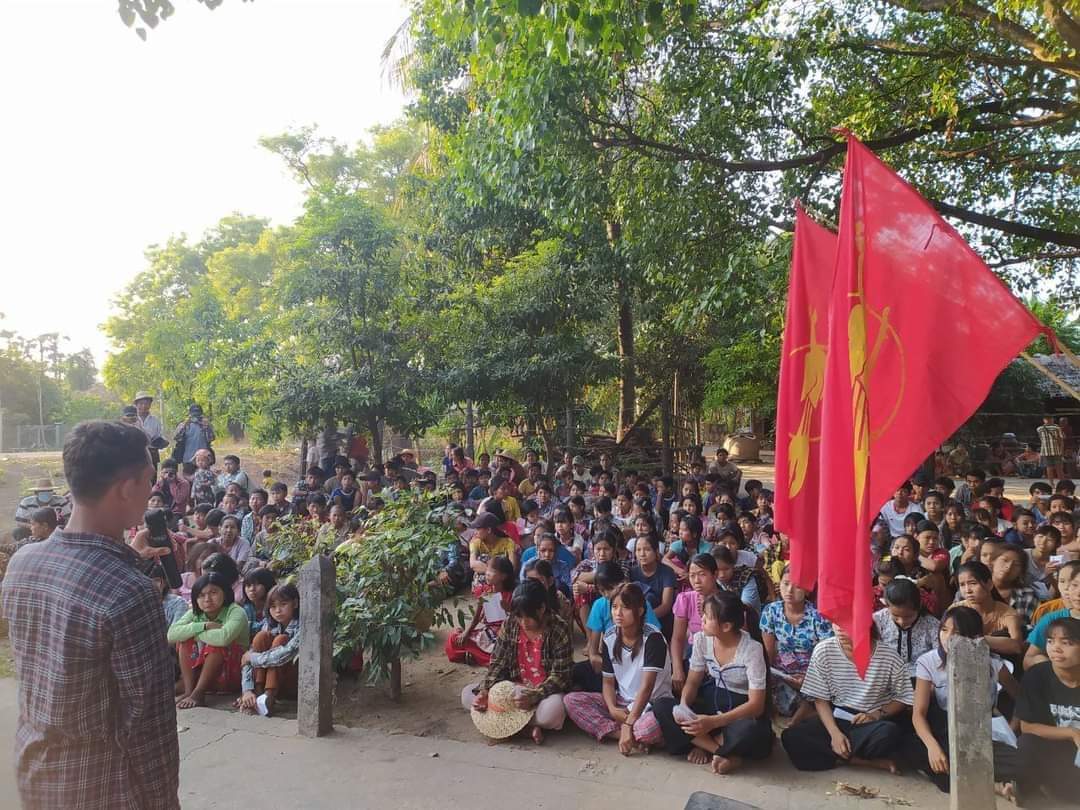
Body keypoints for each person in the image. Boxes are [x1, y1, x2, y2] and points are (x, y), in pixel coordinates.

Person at [0, 420, 180, 809]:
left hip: (37, 770)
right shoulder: (130, 592)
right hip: (103, 787)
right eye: (149, 479)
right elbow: (150, 727)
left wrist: (128, 555)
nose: (153, 490)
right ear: (127, 487)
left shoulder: (24, 562)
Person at [903, 605, 1019, 798]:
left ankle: (981, 778)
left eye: (956, 633)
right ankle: (995, 787)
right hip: (945, 730)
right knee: (921, 751)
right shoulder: (928, 661)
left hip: (982, 731)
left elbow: (1021, 698)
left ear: (974, 637)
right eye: (944, 630)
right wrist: (933, 747)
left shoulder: (993, 663)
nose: (947, 637)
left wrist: (1013, 728)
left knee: (1023, 763)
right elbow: (918, 714)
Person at [653, 592, 773, 773]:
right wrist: (684, 707)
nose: (701, 620)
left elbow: (756, 706)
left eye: (707, 617)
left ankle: (703, 742)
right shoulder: (702, 639)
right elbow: (693, 682)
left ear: (726, 626)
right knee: (662, 705)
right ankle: (722, 752)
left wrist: (713, 722)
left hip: (740, 712)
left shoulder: (752, 649)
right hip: (713, 702)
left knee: (752, 730)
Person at [780, 624, 913, 773]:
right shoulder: (824, 650)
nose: (839, 628)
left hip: (871, 722)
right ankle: (859, 760)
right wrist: (834, 734)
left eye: (846, 622)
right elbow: (820, 698)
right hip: (837, 717)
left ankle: (841, 754)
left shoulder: (888, 656)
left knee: (889, 733)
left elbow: (904, 698)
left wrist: (876, 714)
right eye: (835, 621)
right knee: (791, 737)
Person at [461, 579, 573, 745]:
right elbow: (498, 661)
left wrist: (535, 695)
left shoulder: (558, 629)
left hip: (544, 692)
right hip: (512, 689)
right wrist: (485, 692)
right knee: (468, 695)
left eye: (528, 617)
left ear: (541, 609)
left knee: (552, 713)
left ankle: (507, 724)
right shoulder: (511, 624)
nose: (523, 623)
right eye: (519, 617)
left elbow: (560, 676)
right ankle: (526, 729)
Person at [563, 583, 671, 754]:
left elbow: (647, 688)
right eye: (614, 607)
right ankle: (623, 735)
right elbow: (608, 682)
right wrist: (613, 708)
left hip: (651, 704)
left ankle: (631, 733)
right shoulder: (610, 636)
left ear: (640, 610)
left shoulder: (653, 638)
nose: (618, 613)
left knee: (647, 728)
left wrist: (629, 723)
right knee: (571, 701)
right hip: (622, 701)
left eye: (626, 607)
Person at [1014, 616, 1080, 803]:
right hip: (1054, 752)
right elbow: (1028, 727)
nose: (1056, 648)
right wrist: (1072, 733)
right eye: (1050, 641)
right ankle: (1030, 793)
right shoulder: (1037, 675)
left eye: (1066, 642)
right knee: (1026, 744)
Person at [760, 566, 834, 720]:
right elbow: (768, 652)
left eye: (797, 586)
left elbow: (828, 656)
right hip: (782, 671)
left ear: (808, 590)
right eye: (785, 583)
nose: (789, 590)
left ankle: (806, 712)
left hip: (812, 672)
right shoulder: (771, 611)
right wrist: (768, 674)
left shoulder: (818, 617)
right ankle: (803, 711)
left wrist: (809, 677)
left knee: (823, 693)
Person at [167, 571, 250, 709]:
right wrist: (204, 626)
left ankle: (198, 694)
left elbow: (223, 638)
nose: (207, 599)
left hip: (234, 672)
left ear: (225, 592)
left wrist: (196, 633)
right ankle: (189, 691)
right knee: (184, 641)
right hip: (205, 672)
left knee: (215, 644)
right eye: (201, 595)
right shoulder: (195, 612)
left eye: (213, 593)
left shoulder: (235, 611)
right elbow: (171, 635)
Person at [237, 583, 301, 717]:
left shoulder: (302, 624)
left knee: (280, 640)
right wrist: (247, 690)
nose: (277, 610)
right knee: (261, 637)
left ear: (295, 603)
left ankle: (268, 697)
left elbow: (284, 655)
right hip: (268, 679)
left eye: (283, 604)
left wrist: (253, 658)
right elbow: (247, 658)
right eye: (273, 606)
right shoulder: (269, 623)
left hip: (292, 680)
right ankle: (256, 696)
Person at [446, 556, 516, 667]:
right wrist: (466, 633)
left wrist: (508, 610)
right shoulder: (485, 592)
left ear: (503, 576)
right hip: (487, 633)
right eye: (487, 569)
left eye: (492, 571)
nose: (487, 573)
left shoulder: (512, 595)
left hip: (504, 635)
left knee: (505, 652)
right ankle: (475, 656)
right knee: (454, 638)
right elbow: (476, 618)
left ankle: (474, 656)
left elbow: (519, 620)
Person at [671, 553, 722, 693]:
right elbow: (678, 638)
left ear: (715, 574)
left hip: (721, 655)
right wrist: (677, 669)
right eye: (692, 575)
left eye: (702, 574)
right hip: (694, 653)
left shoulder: (726, 602)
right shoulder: (685, 599)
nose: (697, 581)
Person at [872, 578, 941, 678]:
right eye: (895, 616)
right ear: (887, 606)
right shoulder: (878, 620)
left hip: (923, 678)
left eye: (908, 617)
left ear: (918, 607)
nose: (901, 621)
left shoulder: (931, 625)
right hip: (885, 677)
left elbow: (938, 659)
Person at [956, 561, 1025, 658]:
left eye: (973, 583)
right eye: (962, 585)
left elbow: (1017, 647)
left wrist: (978, 640)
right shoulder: (956, 610)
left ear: (989, 584)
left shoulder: (1008, 614)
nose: (967, 590)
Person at [630, 533, 677, 637]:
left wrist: (643, 618)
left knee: (649, 598)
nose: (642, 554)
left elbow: (665, 606)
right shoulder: (631, 572)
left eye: (647, 550)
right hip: (634, 620)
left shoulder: (667, 572)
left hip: (660, 621)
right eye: (638, 550)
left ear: (656, 552)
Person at [468, 512, 518, 595]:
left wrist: (495, 573)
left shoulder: (508, 542)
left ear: (488, 530)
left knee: (500, 561)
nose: (475, 532)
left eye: (478, 529)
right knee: (484, 558)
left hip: (503, 582)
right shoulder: (475, 542)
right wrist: (492, 573)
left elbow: (512, 566)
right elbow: (473, 564)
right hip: (486, 582)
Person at [241, 568, 277, 636]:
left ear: (267, 584)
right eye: (248, 585)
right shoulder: (246, 608)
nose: (252, 589)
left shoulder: (275, 606)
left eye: (257, 584)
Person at [1037, 414, 1066, 486]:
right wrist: (1062, 450)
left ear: (1044, 420)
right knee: (1059, 468)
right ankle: (1062, 483)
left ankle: (1051, 483)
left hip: (1045, 451)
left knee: (1049, 467)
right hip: (1056, 450)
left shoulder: (1039, 429)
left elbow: (1041, 439)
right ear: (1052, 419)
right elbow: (1061, 439)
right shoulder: (1056, 427)